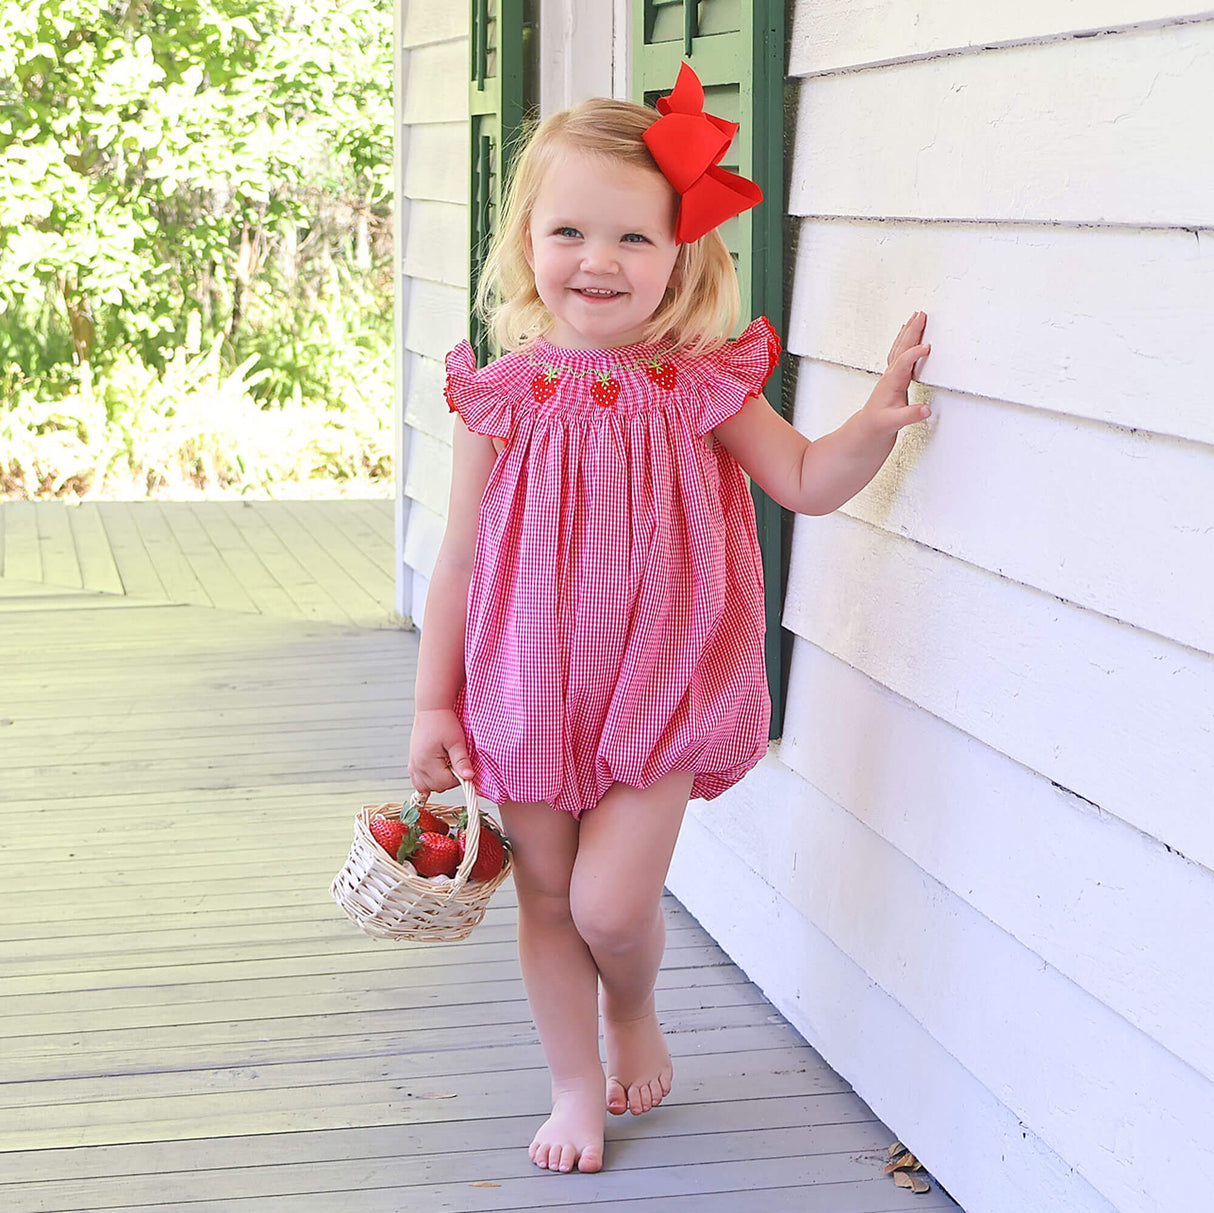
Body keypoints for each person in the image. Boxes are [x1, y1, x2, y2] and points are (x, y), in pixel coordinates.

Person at [408, 63, 931, 1176]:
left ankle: (631, 1008)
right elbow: (456, 552)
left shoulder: (698, 382)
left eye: (633, 240)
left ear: (681, 255)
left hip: (659, 681)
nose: (596, 261)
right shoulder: (499, 394)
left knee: (607, 902)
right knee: (546, 895)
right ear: (528, 241)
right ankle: (572, 1084)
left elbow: (798, 477)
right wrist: (430, 701)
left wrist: (872, 424)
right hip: (526, 684)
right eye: (569, 232)